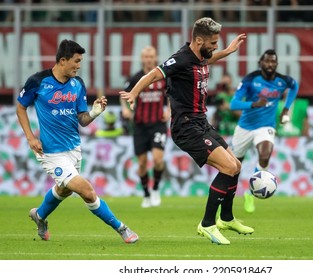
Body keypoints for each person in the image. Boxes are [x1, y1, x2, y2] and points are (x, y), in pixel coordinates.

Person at [120, 17, 252, 245]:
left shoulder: (201, 57)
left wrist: (229, 51)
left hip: (201, 122)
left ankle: (227, 218)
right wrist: (134, 93)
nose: (215, 46)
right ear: (198, 40)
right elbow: (153, 74)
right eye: (212, 42)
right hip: (186, 127)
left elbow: (210, 59)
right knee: (228, 167)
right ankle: (208, 224)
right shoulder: (180, 59)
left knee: (236, 166)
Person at [16, 39, 138, 244]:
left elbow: (82, 120)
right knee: (87, 191)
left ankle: (40, 215)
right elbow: (21, 107)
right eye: (76, 61)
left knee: (64, 189)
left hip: (74, 149)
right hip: (51, 152)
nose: (79, 66)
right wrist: (30, 137)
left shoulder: (77, 84)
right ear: (63, 60)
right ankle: (122, 228)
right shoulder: (37, 81)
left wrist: (95, 112)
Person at [230, 49, 299, 213]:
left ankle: (251, 193)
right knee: (233, 167)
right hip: (245, 127)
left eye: (273, 61)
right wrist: (252, 104)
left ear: (276, 64)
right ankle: (227, 197)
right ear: (260, 63)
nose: (270, 64)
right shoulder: (250, 79)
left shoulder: (283, 81)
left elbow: (294, 86)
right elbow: (234, 104)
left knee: (265, 154)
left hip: (266, 126)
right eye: (267, 61)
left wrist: (286, 109)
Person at [121, 46, 170, 208]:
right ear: (142, 59)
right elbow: (124, 95)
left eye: (151, 56)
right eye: (146, 57)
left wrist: (169, 110)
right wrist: (125, 109)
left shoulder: (162, 77)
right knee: (142, 163)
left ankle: (155, 189)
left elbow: (172, 94)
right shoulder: (136, 78)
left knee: (158, 159)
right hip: (140, 125)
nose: (149, 59)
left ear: (155, 58)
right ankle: (146, 194)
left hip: (158, 124)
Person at [211, 72, 241, 137]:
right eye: (223, 84)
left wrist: (228, 107)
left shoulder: (237, 96)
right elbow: (216, 113)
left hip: (234, 132)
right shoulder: (220, 96)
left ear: (231, 82)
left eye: (227, 83)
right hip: (222, 133)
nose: (225, 86)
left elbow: (242, 115)